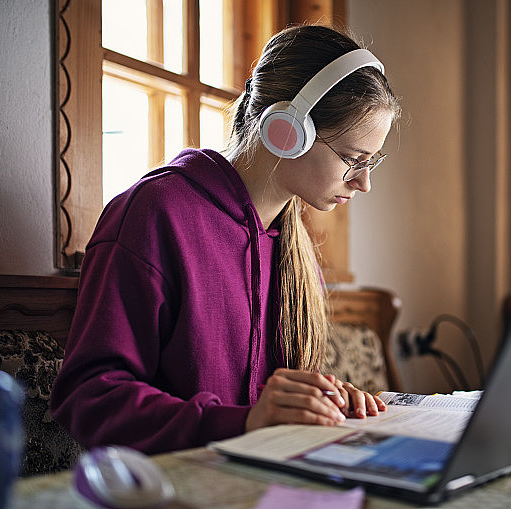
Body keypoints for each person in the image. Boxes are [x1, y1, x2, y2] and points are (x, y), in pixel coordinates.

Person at [49, 24, 401, 455]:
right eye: (352, 159)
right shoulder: (155, 214)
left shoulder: (292, 242)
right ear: (287, 130)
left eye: (372, 162)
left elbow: (266, 406)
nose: (364, 183)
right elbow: (88, 398)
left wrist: (319, 404)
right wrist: (241, 422)